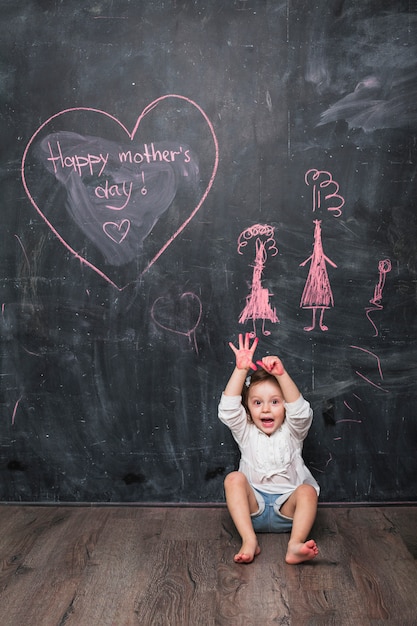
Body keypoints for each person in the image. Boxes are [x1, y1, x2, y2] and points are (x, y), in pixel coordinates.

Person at [218, 333, 319, 564]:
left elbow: (301, 412)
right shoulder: (245, 431)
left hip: (288, 511)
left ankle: (294, 545)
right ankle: (249, 540)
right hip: (253, 510)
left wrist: (282, 375)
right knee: (233, 479)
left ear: (285, 405)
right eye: (257, 402)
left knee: (307, 492)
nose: (266, 409)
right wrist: (241, 370)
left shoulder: (293, 431)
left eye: (275, 402)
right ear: (248, 407)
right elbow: (227, 410)